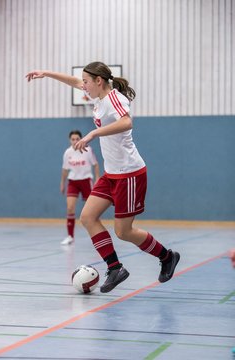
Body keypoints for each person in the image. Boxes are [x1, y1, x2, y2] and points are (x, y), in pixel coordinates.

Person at [26, 61, 180, 293]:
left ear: (99, 81)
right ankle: (115, 267)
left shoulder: (114, 98)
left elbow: (127, 121)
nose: (83, 86)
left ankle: (167, 256)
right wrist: (46, 73)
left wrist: (93, 133)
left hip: (129, 174)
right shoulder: (97, 97)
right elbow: (75, 81)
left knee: (124, 231)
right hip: (111, 174)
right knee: (88, 217)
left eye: (87, 82)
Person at [60, 129, 100, 245]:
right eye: (73, 139)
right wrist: (62, 183)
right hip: (73, 182)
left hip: (86, 181)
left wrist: (97, 178)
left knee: (92, 210)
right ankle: (70, 236)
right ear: (70, 140)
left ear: (81, 139)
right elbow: (65, 169)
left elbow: (96, 164)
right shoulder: (68, 153)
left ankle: (96, 234)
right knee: (70, 208)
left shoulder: (88, 150)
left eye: (77, 139)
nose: (75, 141)